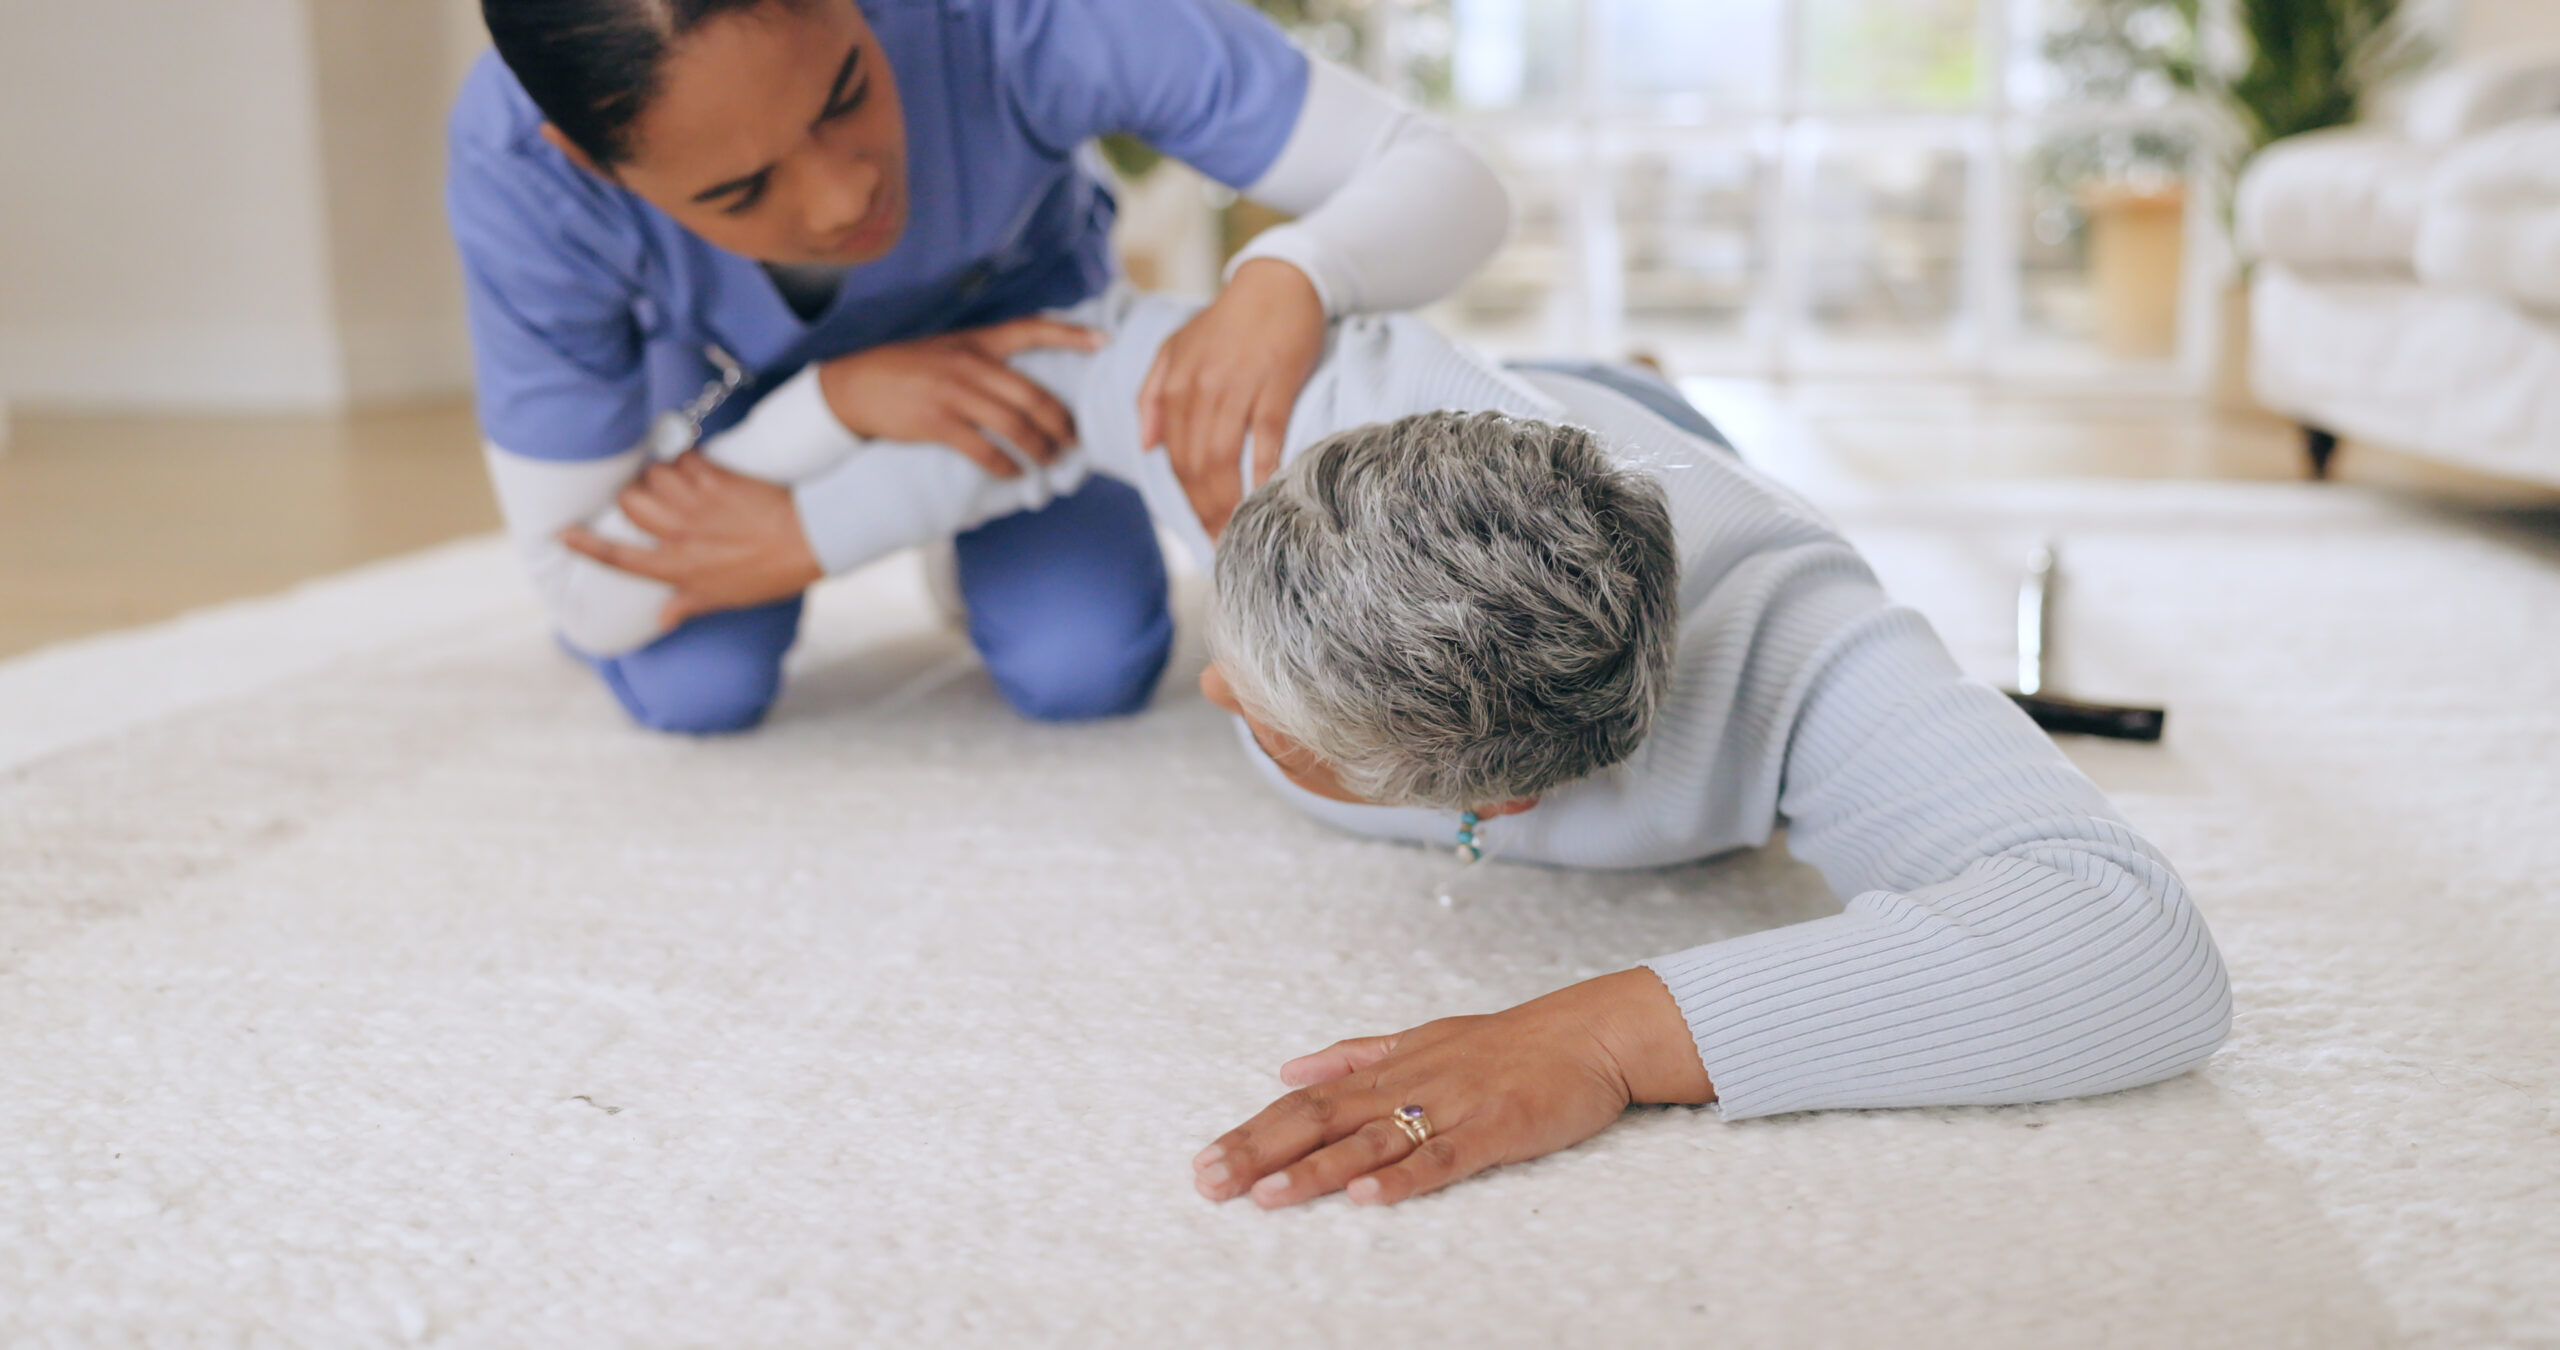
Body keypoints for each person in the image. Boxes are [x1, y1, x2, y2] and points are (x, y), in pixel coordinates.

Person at [585, 287, 2236, 1207]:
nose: (1215, 697)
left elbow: (2130, 947)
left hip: (1690, 480)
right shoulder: (1320, 402)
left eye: (1280, 720)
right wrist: (791, 533)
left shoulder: (1806, 648)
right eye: (1231, 639)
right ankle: (1607, 374)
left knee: (1669, 425)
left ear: (1509, 797)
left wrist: (1606, 1036)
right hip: (1511, 392)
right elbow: (1036, 367)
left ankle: (1649, 385)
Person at [448, 0, 1510, 731]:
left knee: (1084, 664)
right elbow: (582, 585)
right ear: (588, 162)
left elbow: (1449, 181)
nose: (840, 199)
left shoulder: (1022, 20)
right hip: (738, 407)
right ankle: (920, 493)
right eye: (739, 192)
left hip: (1023, 338)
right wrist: (837, 405)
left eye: (845, 94)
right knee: (693, 688)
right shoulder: (520, 171)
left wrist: (1291, 272)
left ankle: (963, 537)